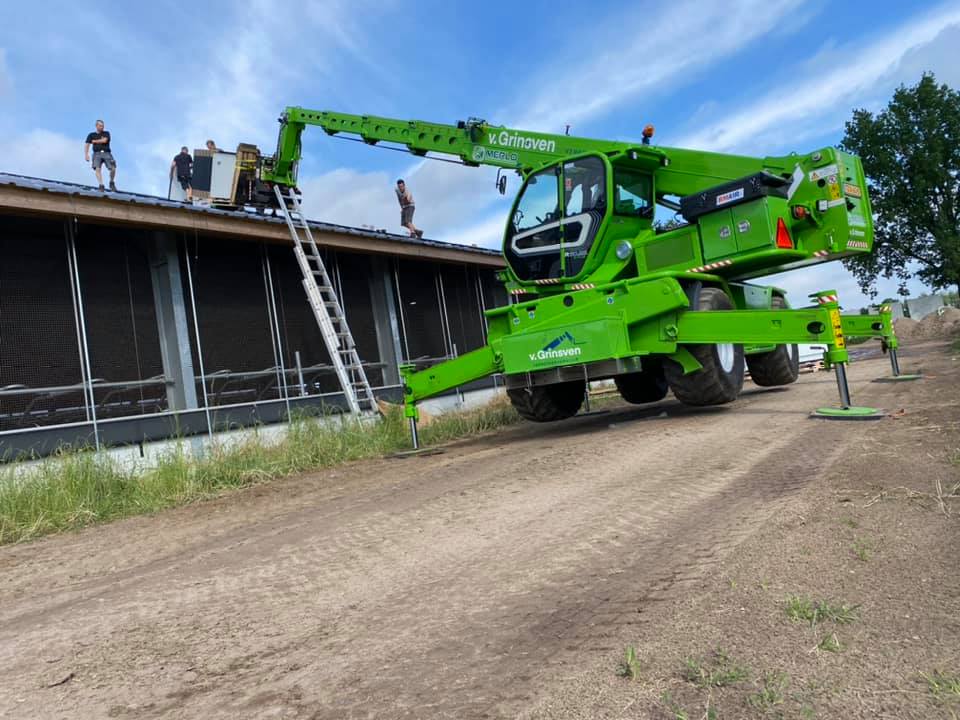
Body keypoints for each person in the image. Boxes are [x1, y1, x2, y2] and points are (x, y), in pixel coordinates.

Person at [84, 119, 117, 192]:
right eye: (100, 126)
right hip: (96, 154)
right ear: (96, 126)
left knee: (113, 168)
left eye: (103, 126)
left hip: (107, 153)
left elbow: (105, 140)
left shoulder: (106, 133)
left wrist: (95, 141)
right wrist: (86, 154)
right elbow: (87, 144)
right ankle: (101, 185)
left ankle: (111, 182)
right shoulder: (91, 135)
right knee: (97, 169)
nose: (102, 127)